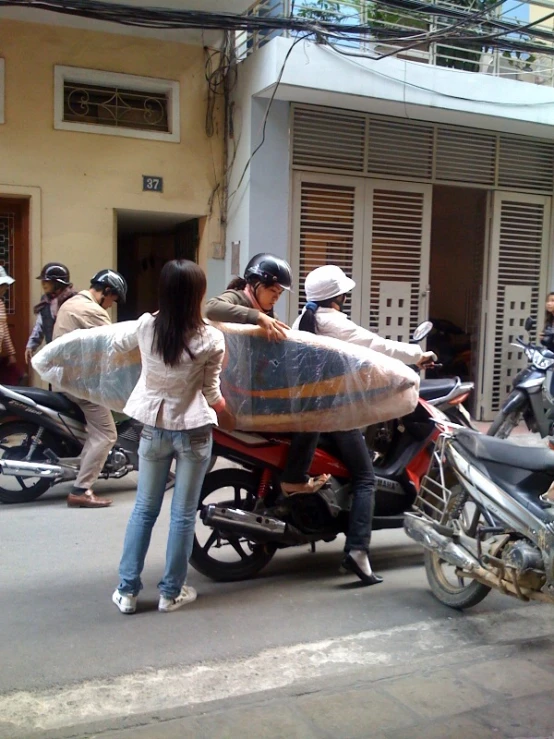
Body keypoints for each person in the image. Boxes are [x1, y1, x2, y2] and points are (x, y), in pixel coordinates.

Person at [294, 265, 435, 586]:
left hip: (306, 409)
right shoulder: (332, 322)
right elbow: (377, 346)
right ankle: (358, 550)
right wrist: (418, 355)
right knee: (366, 477)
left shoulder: (303, 319)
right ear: (337, 296)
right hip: (333, 413)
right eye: (343, 292)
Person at [112, 260, 230, 614]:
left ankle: (127, 591)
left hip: (154, 429)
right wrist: (229, 412)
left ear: (163, 290)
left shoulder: (147, 325)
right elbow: (211, 393)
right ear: (198, 294)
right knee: (182, 515)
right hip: (194, 432)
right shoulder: (210, 337)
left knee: (144, 510)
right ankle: (170, 593)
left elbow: (117, 344)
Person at [205, 253, 328, 495]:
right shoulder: (239, 298)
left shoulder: (270, 316)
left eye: (280, 294)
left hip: (253, 388)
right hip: (237, 394)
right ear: (255, 284)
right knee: (311, 418)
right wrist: (257, 317)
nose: (275, 297)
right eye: (273, 290)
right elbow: (211, 308)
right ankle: (293, 478)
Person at [53, 269, 128, 509]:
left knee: (96, 431)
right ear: (106, 291)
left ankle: (82, 475)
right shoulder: (92, 311)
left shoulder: (72, 302)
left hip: (65, 379)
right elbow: (117, 345)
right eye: (113, 299)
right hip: (80, 385)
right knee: (107, 434)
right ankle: (81, 490)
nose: (111, 305)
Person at [25, 263, 76, 364]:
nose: (43, 284)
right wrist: (31, 345)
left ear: (57, 283)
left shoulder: (74, 301)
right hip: (53, 354)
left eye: (47, 281)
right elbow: (40, 326)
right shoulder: (45, 302)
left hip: (72, 354)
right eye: (43, 281)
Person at [0, 266, 20, 385]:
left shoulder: (1, 304)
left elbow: (4, 330)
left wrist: (10, 353)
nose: (6, 289)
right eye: (4, 285)